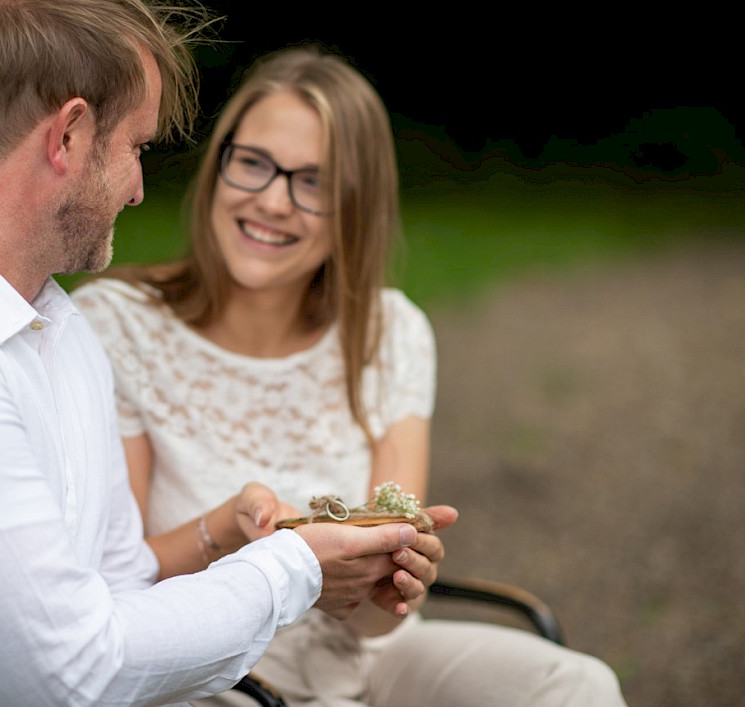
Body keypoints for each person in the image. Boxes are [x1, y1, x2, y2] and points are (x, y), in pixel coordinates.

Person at [0, 4, 455, 706]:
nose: (139, 188)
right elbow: (74, 672)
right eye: (136, 149)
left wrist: (259, 542)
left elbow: (123, 584)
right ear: (68, 135)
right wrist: (294, 565)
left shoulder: (58, 332)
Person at [72, 47, 628, 706]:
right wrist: (231, 528)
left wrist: (392, 583)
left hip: (366, 653)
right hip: (211, 670)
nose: (273, 201)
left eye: (314, 182)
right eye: (252, 164)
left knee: (577, 684)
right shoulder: (117, 323)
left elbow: (373, 617)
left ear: (354, 206)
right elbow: (117, 582)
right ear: (219, 166)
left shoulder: (391, 333)